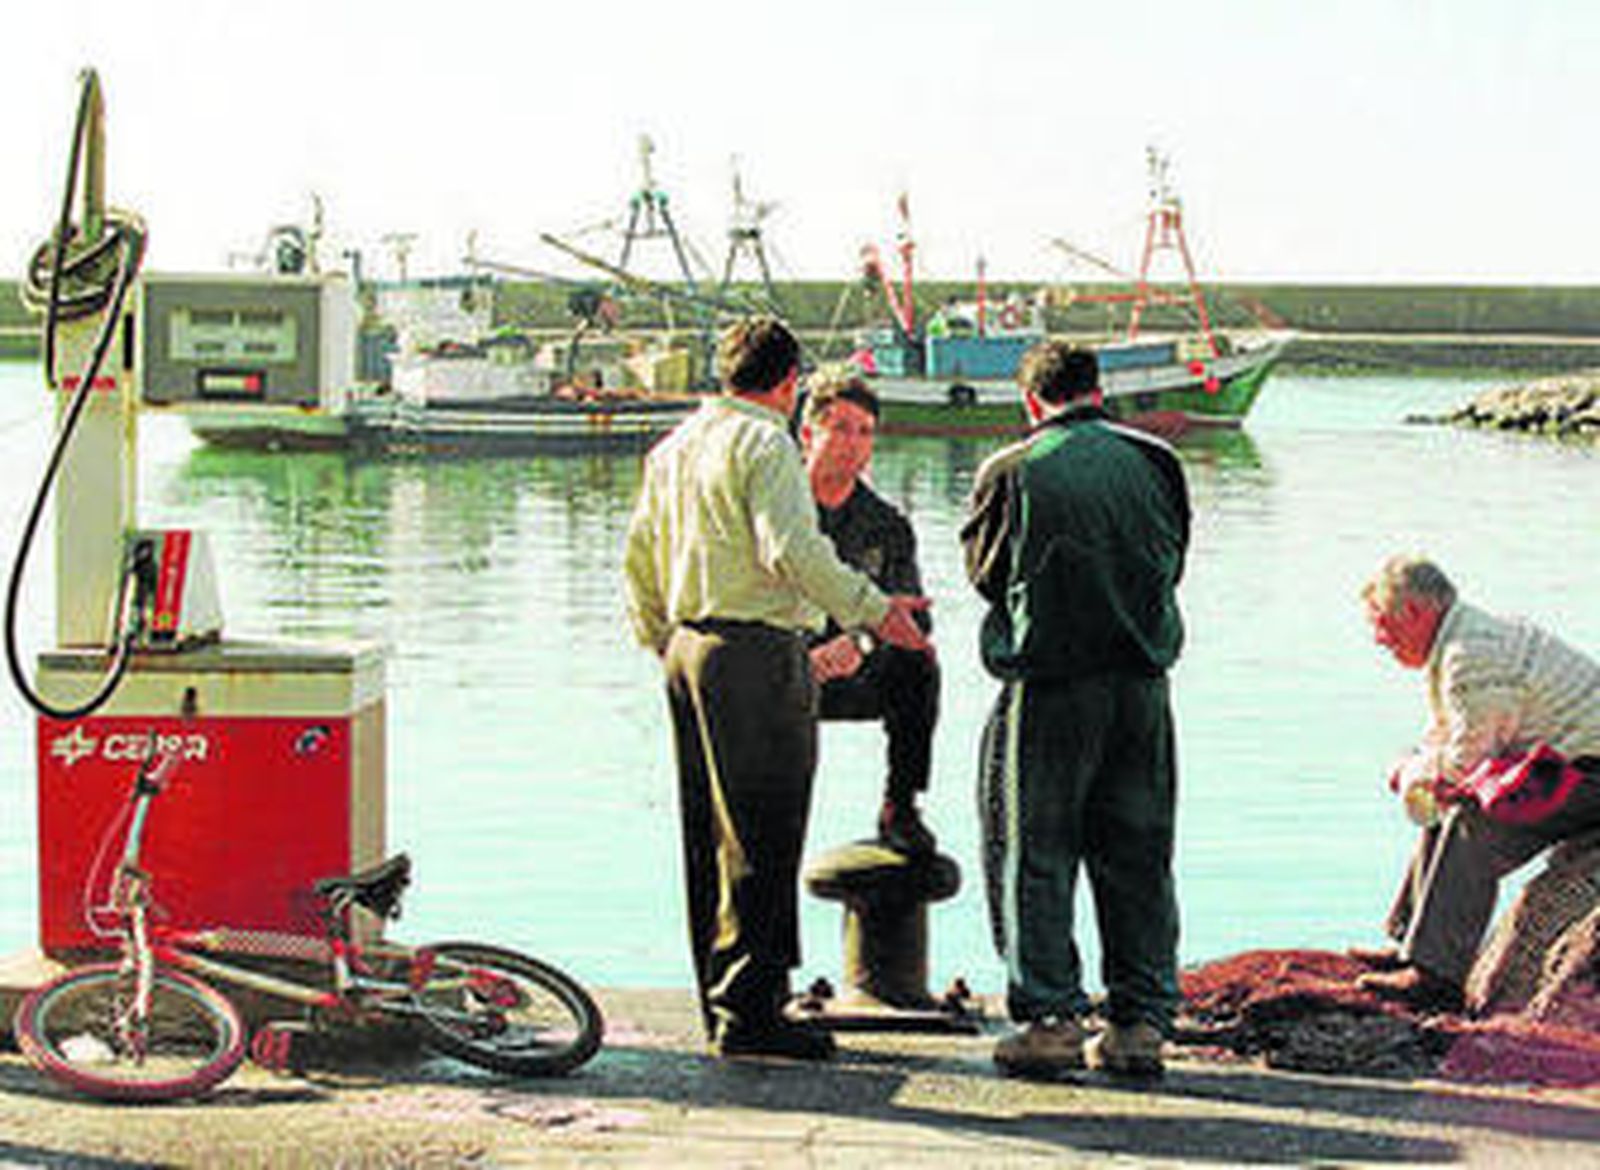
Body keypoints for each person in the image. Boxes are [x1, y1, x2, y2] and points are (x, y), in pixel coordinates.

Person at [622, 318, 930, 1061]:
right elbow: (791, 551)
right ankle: (756, 1011)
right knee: (763, 834)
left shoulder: (674, 448)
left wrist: (664, 637)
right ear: (790, 384)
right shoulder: (767, 444)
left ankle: (720, 1002)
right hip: (756, 650)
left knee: (707, 838)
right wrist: (872, 609)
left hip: (687, 648)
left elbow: (638, 556)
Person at [961, 341, 1189, 1079]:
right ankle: (1140, 1023)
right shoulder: (1158, 461)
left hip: (1051, 685)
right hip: (1144, 686)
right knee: (1140, 855)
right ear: (1098, 390)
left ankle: (1052, 1016)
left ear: (1031, 402)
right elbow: (1173, 555)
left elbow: (985, 573)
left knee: (1036, 851)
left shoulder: (1012, 469)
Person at [1354, 555, 1600, 1008]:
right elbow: (1449, 740)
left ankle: (1435, 976)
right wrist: (1422, 770)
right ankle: (1412, 943)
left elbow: (1466, 762)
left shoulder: (1470, 655)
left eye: (1383, 623)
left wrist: (1408, 772)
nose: (1378, 639)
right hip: (1567, 765)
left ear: (1415, 611)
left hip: (1588, 776)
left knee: (1474, 824)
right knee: (1442, 801)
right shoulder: (1464, 639)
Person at [799, 369, 939, 856]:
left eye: (864, 432)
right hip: (782, 666)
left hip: (854, 663)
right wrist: (808, 655)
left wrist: (860, 643)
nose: (852, 444)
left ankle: (901, 806)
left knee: (920, 662)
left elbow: (915, 617)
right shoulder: (777, 509)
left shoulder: (887, 524)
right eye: (839, 428)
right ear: (807, 434)